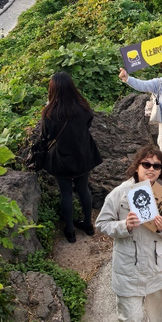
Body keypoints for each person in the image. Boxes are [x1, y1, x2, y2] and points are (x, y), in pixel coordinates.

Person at [96, 146, 162, 322]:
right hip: (129, 265)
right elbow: (102, 224)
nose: (151, 169)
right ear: (137, 166)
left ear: (161, 170)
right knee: (130, 314)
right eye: (146, 164)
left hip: (156, 263)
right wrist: (124, 225)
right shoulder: (120, 193)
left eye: (157, 166)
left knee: (160, 305)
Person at [41, 71, 103, 244]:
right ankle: (88, 225)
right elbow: (88, 124)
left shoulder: (49, 113)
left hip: (61, 159)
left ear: (53, 90)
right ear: (71, 87)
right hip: (83, 155)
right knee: (84, 189)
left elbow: (45, 136)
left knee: (66, 193)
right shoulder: (83, 108)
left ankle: (70, 232)